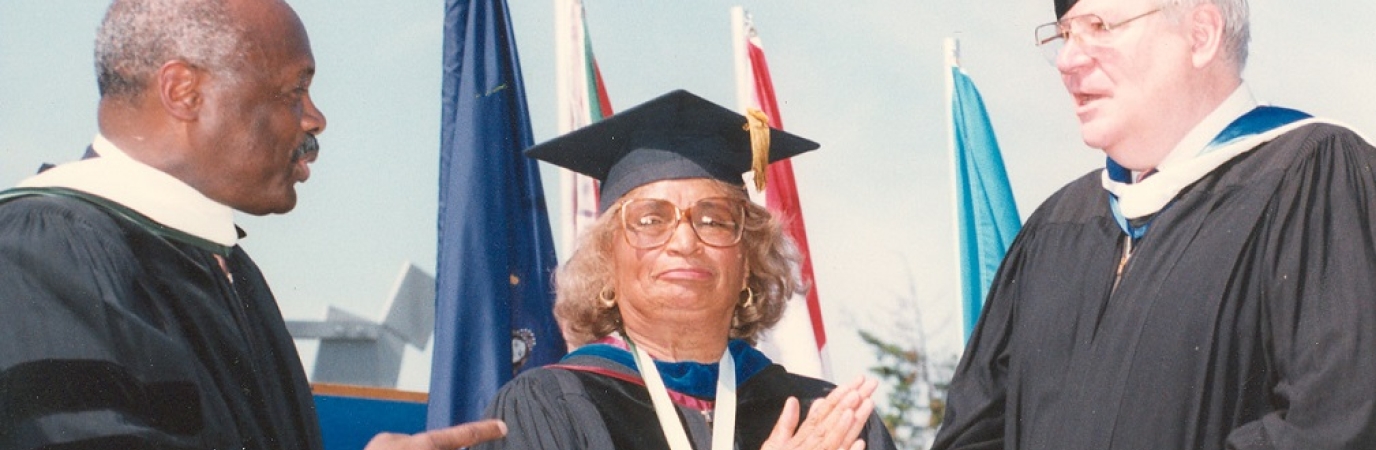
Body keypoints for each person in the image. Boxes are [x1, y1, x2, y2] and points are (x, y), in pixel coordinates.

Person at [0, 1, 503, 449]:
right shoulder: (41, 250)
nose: (315, 118)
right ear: (184, 91)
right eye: (294, 91)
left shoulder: (229, 267)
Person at [932, 0, 1376, 449]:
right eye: (1065, 35)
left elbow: (1336, 425)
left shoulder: (1313, 177)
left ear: (1200, 34)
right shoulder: (1055, 227)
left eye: (1099, 26)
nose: (1067, 60)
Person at [471, 89, 897, 450]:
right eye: (651, 220)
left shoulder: (829, 421)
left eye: (714, 219)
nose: (686, 242)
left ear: (747, 260)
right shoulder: (546, 407)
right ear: (607, 260)